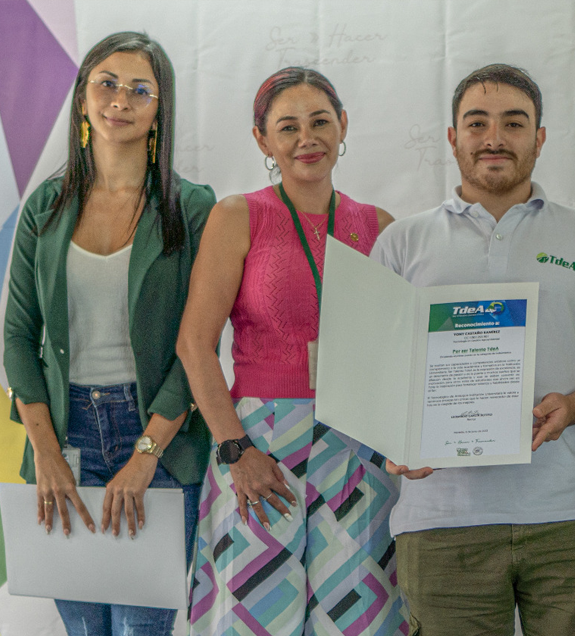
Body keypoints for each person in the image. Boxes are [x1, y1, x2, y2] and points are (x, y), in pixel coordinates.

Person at [371, 63, 575, 635]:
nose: (494, 139)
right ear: (452, 138)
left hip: (571, 515)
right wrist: (393, 440)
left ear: (539, 138)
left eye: (514, 123)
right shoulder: (401, 243)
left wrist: (572, 406)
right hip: (441, 522)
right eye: (477, 123)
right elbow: (378, 373)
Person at [177, 67, 404, 635]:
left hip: (358, 448)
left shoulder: (380, 227)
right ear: (264, 140)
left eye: (321, 121)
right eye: (289, 126)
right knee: (250, 620)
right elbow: (194, 344)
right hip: (260, 446)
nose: (308, 138)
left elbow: (400, 352)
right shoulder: (238, 216)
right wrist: (236, 450)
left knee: (361, 622)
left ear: (343, 125)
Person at [3, 31, 214, 635]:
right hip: (63, 436)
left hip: (159, 437)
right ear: (81, 99)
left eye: (140, 89)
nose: (121, 98)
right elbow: (20, 334)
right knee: (85, 630)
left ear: (158, 111)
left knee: (140, 630)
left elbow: (199, 344)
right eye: (107, 83)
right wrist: (44, 450)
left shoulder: (192, 207)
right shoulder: (44, 206)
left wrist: (146, 454)